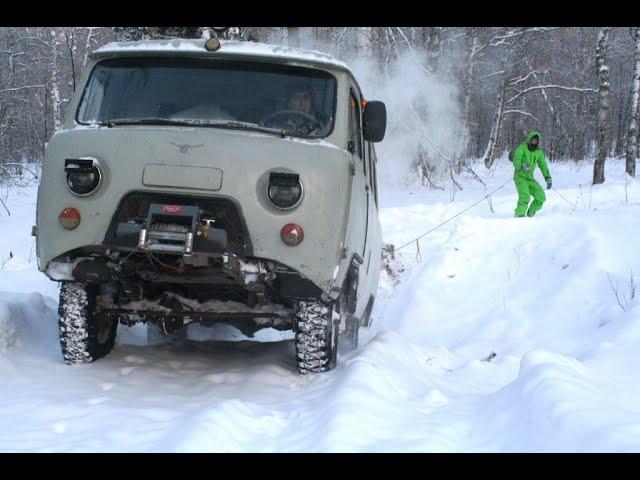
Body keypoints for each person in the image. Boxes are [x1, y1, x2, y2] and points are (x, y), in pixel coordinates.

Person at [512, 131, 552, 217]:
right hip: (520, 177)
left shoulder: (538, 152)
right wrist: (522, 165)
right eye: (532, 140)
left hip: (530, 178)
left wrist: (547, 177)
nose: (534, 142)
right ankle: (519, 216)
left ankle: (531, 213)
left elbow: (543, 166)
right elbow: (516, 161)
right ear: (529, 140)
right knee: (525, 197)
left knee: (541, 196)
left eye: (536, 141)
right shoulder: (522, 148)